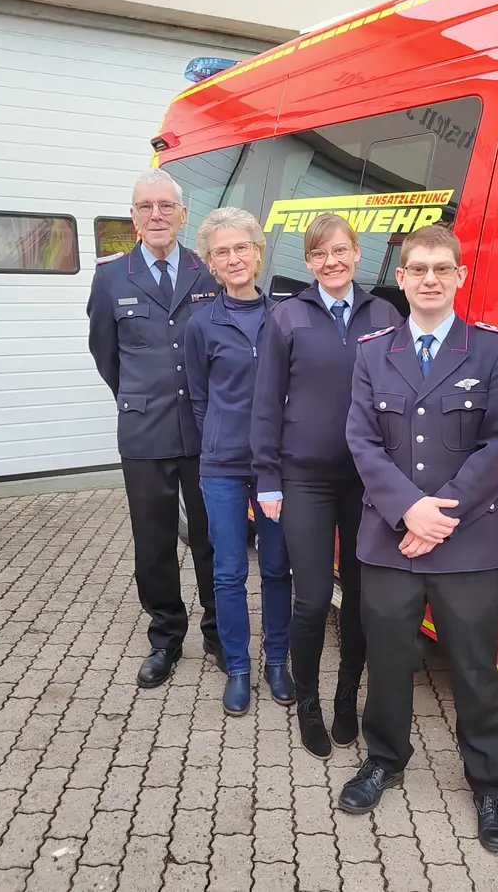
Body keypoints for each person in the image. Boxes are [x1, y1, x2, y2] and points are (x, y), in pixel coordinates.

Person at [336, 223, 498, 852]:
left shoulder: (492, 350)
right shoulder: (372, 350)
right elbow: (361, 439)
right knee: (387, 660)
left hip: (466, 538)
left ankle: (490, 782)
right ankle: (384, 759)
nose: (430, 280)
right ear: (403, 277)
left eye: (442, 269)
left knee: (473, 668)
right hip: (391, 536)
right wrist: (407, 511)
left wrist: (439, 516)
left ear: (460, 275)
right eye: (418, 269)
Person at [250, 213, 400, 759]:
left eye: (340, 251)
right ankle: (308, 701)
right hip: (303, 479)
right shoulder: (288, 317)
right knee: (313, 599)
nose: (331, 262)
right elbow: (265, 402)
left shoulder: (385, 314)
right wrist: (267, 477)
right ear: (308, 262)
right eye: (319, 254)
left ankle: (344, 699)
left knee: (361, 601)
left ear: (357, 252)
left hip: (367, 482)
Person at [87, 168, 222, 689]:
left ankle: (217, 632)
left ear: (183, 215)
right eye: (146, 207)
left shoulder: (206, 270)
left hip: (206, 429)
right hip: (145, 432)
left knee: (214, 537)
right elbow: (106, 355)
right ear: (134, 217)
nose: (157, 215)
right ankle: (166, 636)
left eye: (166, 206)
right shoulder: (110, 277)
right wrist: (139, 397)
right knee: (154, 541)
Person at [182, 207, 295, 716]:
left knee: (276, 568)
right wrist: (223, 437)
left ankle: (276, 661)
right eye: (222, 251)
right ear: (210, 262)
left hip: (275, 467)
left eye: (241, 247)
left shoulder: (285, 316)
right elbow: (200, 398)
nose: (234, 258)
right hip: (222, 467)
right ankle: (239, 666)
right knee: (228, 571)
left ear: (258, 251)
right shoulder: (201, 324)